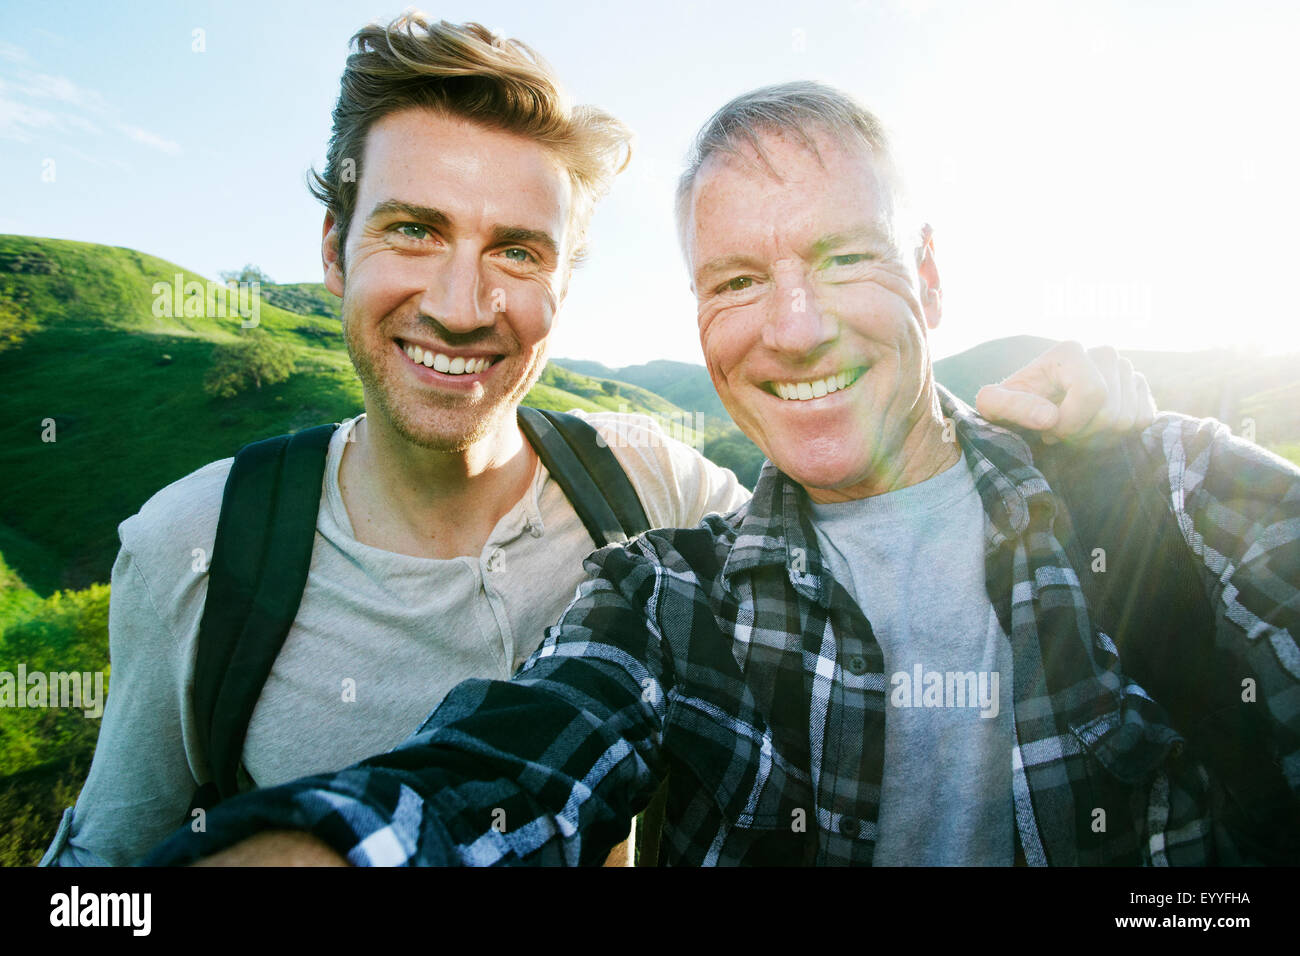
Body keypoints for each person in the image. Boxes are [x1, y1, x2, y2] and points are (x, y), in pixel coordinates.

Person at [48, 20, 1159, 868]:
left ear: (564, 287)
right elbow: (106, 864)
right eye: (414, 229)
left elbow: (853, 506)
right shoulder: (198, 541)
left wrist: (1111, 448)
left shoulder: (651, 487)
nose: (459, 301)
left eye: (519, 251)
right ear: (334, 251)